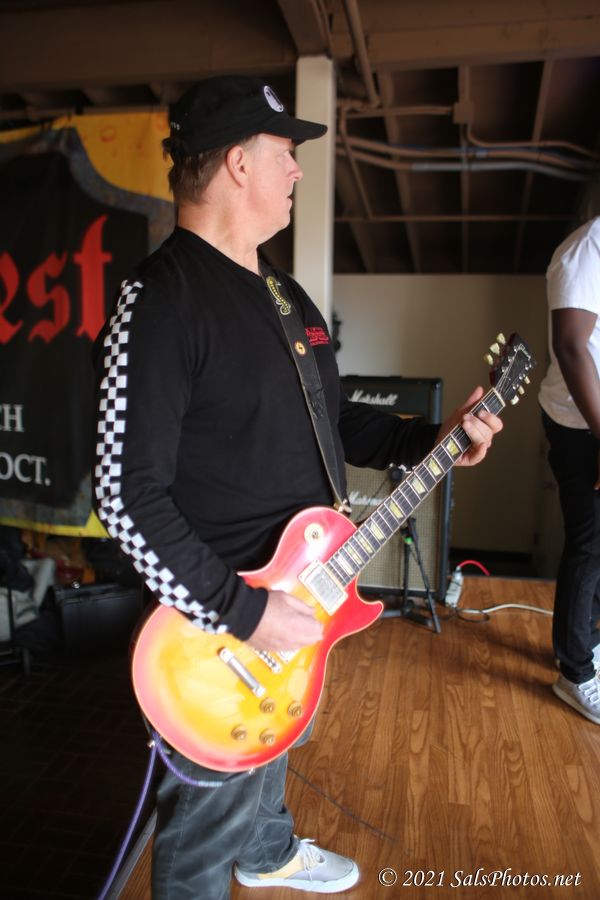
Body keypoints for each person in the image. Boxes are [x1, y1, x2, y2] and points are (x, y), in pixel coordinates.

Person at [92, 74, 502, 899]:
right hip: (217, 630)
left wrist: (433, 440)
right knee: (201, 833)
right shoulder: (160, 299)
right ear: (238, 163)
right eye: (286, 151)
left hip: (299, 590)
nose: (298, 169)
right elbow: (124, 495)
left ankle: (269, 849)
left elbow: (333, 416)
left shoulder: (284, 295)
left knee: (272, 750)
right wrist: (245, 614)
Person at [539, 216, 600, 726]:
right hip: (582, 427)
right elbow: (570, 346)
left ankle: (588, 644)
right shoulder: (583, 252)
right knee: (591, 543)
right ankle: (575, 673)